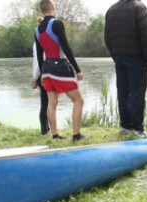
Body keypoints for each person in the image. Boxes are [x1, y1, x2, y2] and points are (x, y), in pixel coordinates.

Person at [35, 0, 89, 141]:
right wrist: (77, 69)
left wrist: (42, 73)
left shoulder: (37, 29)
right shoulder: (57, 24)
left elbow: (40, 55)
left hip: (46, 68)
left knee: (51, 102)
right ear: (53, 7)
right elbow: (66, 47)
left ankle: (54, 135)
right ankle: (76, 135)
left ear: (42, 10)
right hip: (59, 67)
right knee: (78, 100)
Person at [105, 0, 147, 138]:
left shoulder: (111, 10)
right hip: (136, 57)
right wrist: (146, 58)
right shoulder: (139, 7)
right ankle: (138, 129)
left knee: (123, 93)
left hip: (119, 57)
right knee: (137, 93)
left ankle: (126, 127)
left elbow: (107, 37)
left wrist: (115, 55)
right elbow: (146, 36)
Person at [31, 42, 50, 135]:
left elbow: (35, 62)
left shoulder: (36, 42)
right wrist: (35, 77)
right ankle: (44, 130)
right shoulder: (40, 42)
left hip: (40, 74)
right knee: (46, 103)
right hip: (43, 74)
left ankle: (47, 128)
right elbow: (39, 62)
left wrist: (34, 77)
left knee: (47, 103)